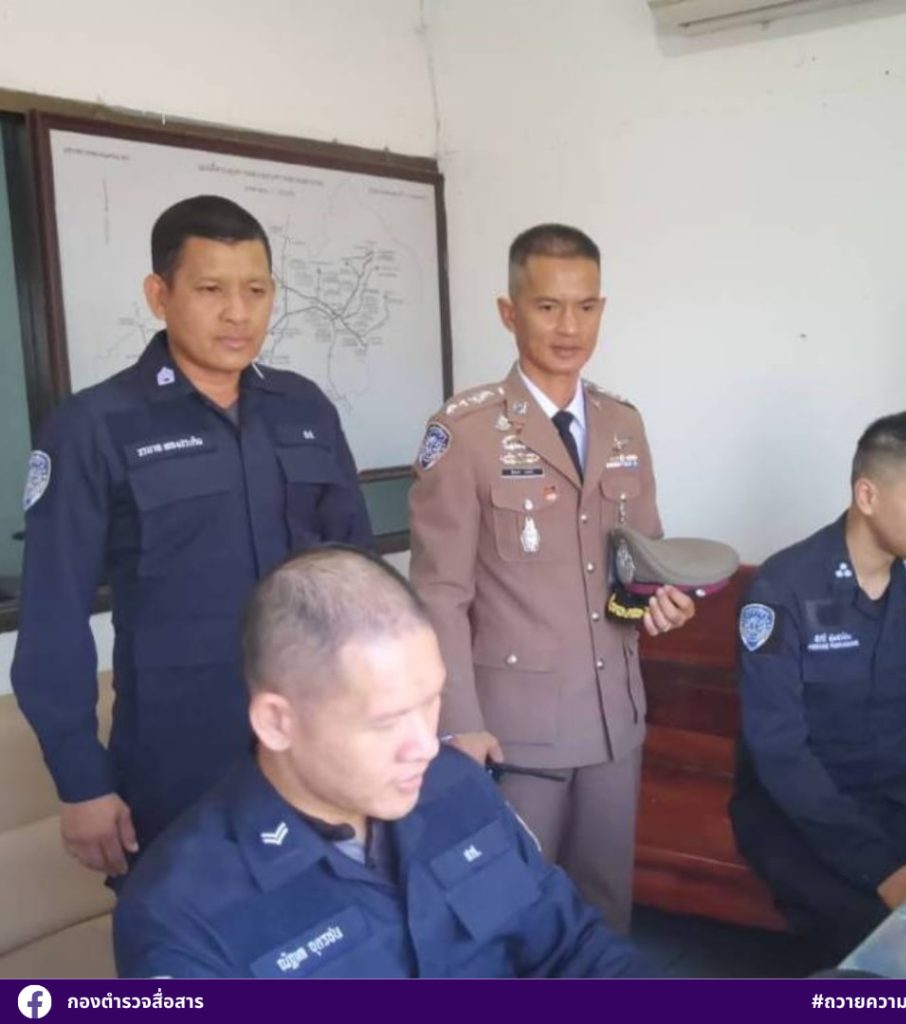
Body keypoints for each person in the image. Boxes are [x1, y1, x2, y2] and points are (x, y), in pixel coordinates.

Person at [13, 195, 372, 875]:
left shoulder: (304, 407)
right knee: (189, 929)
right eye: (211, 290)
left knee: (334, 923)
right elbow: (52, 616)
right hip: (179, 761)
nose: (238, 313)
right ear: (160, 295)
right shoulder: (95, 425)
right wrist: (81, 779)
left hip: (316, 742)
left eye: (256, 290)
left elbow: (357, 574)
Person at [113, 546, 644, 978]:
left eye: (430, 702)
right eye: (387, 721)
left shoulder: (456, 786)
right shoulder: (185, 913)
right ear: (277, 722)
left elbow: (573, 948)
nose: (426, 745)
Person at [407, 224, 694, 933]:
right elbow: (439, 594)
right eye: (548, 307)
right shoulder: (466, 433)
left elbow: (638, 565)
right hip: (513, 732)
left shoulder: (622, 425)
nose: (570, 327)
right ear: (509, 312)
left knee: (603, 912)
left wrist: (657, 603)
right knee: (508, 918)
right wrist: (460, 726)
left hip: (612, 719)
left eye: (586, 306)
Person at [729, 411, 906, 957]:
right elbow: (779, 754)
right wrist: (884, 870)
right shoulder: (784, 588)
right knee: (887, 933)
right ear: (868, 495)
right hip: (794, 806)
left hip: (894, 788)